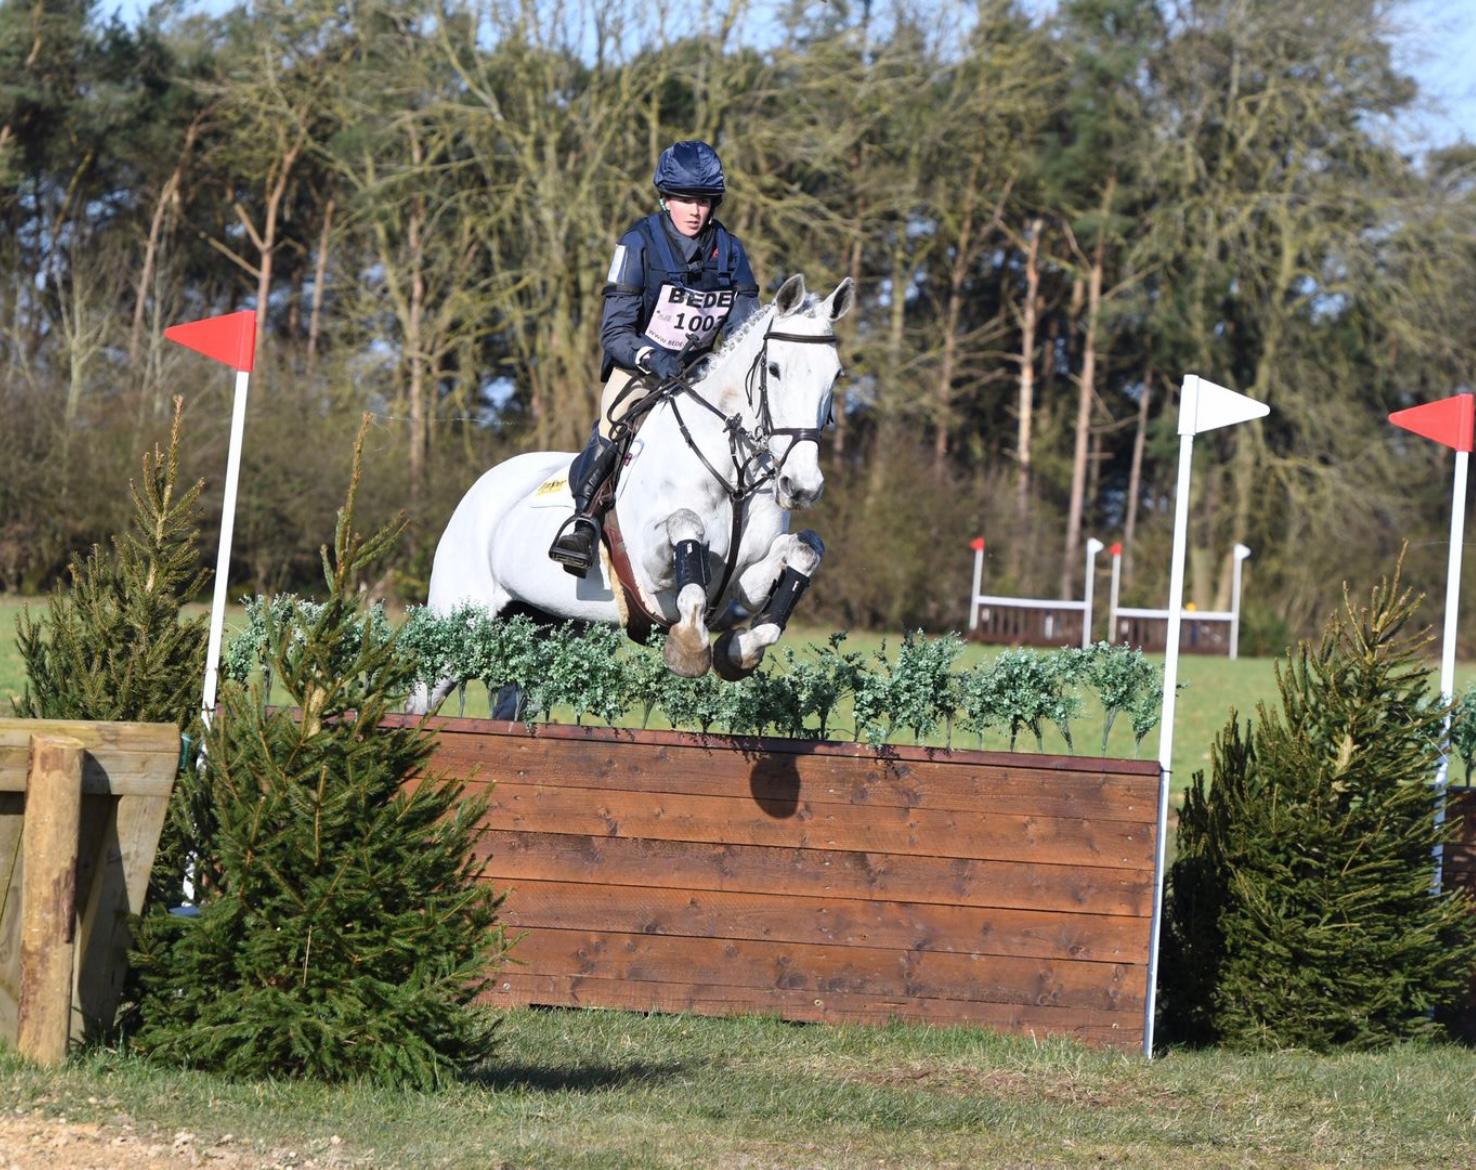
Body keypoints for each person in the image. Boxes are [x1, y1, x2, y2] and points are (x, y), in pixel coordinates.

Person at [548, 140, 761, 576]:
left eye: (703, 201)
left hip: (701, 375)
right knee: (614, 422)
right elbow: (614, 332)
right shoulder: (638, 243)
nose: (695, 211)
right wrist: (653, 357)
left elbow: (745, 331)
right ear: (665, 199)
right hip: (640, 369)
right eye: (685, 199)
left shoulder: (731, 251)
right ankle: (583, 522)